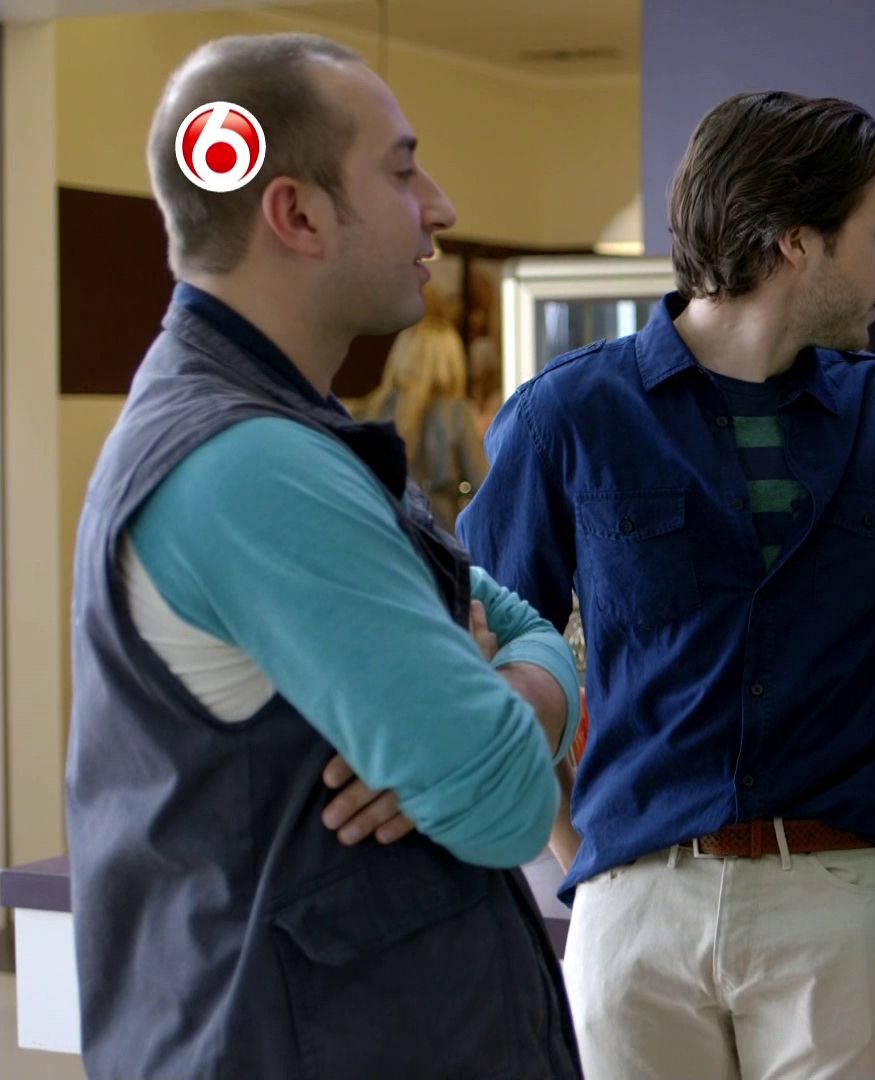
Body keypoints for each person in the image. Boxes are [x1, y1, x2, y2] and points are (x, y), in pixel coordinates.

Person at [65, 33, 582, 1078]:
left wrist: (495, 696)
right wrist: (482, 727)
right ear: (295, 214)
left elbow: (522, 627)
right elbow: (505, 799)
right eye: (401, 170)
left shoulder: (298, 436)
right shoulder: (250, 466)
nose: (439, 207)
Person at [460, 90, 875, 1080]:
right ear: (796, 242)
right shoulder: (568, 417)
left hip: (850, 901)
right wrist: (589, 865)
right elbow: (481, 661)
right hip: (635, 912)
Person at [360, 315, 490, 529]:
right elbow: (484, 486)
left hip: (382, 529)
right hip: (440, 531)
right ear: (452, 362)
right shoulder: (457, 413)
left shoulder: (371, 409)